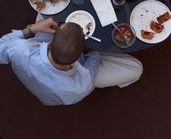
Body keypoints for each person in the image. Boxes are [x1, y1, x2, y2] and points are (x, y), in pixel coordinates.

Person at [0, 17, 143, 106]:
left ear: (50, 43)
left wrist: (32, 29)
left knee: (46, 14)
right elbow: (93, 57)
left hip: (48, 86)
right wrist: (95, 51)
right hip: (81, 71)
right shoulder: (80, 86)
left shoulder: (19, 49)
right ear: (80, 55)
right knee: (136, 68)